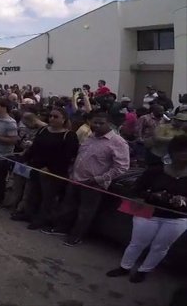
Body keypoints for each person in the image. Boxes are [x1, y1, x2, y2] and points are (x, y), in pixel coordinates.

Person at [106, 135, 187, 283]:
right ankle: (125, 267)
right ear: (172, 152)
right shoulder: (155, 171)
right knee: (137, 242)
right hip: (148, 212)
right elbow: (135, 190)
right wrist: (152, 195)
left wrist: (183, 200)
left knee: (161, 247)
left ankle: (144, 270)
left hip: (177, 218)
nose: (184, 154)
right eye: (180, 151)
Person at [42, 110, 130, 246]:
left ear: (109, 124)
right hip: (76, 178)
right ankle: (61, 228)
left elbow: (122, 167)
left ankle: (76, 236)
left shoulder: (118, 142)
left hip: (93, 184)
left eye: (101, 123)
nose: (97, 125)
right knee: (68, 206)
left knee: (85, 212)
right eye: (95, 122)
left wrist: (99, 179)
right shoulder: (91, 137)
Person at [24, 108, 80, 230]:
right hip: (37, 167)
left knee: (47, 198)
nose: (52, 119)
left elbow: (67, 156)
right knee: (33, 193)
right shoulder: (43, 130)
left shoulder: (69, 135)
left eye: (56, 117)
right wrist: (26, 158)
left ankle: (41, 219)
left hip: (54, 172)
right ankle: (28, 214)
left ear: (64, 119)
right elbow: (35, 147)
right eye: (50, 116)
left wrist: (50, 168)